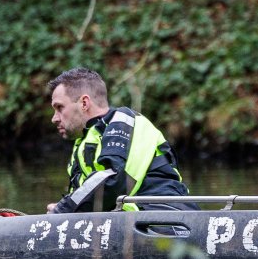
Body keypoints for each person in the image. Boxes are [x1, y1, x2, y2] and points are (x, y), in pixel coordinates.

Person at [46, 67, 194, 213]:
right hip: (133, 221)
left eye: (60, 107)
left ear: (84, 103)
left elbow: (113, 179)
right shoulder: (83, 143)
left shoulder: (123, 121)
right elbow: (85, 199)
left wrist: (61, 211)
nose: (54, 119)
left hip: (167, 218)